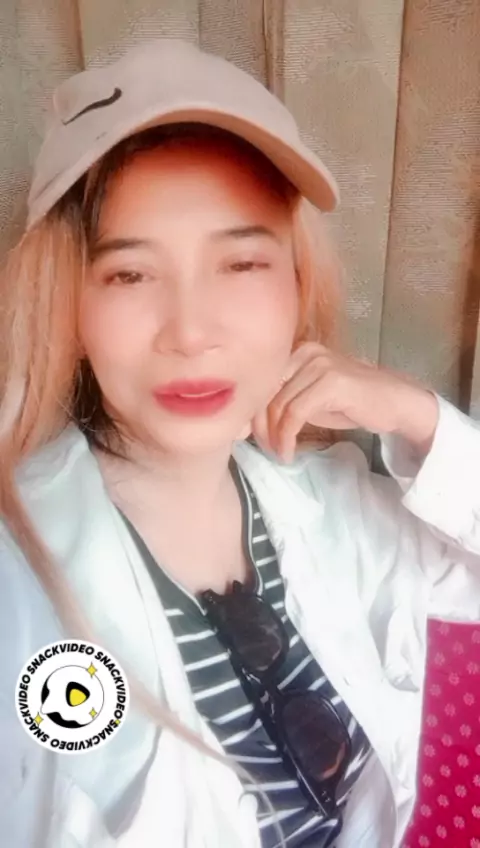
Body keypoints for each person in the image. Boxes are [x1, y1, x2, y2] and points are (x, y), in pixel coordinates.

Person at [0, 38, 479, 848]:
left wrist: (415, 417)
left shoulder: (336, 507)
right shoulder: (20, 577)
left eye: (242, 263)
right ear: (70, 310)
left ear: (298, 285)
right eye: (129, 274)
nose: (191, 332)